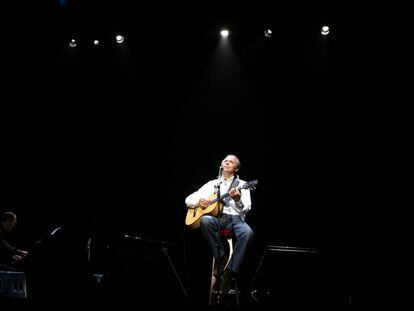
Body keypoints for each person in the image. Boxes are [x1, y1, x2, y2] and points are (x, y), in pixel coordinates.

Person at [185, 154, 254, 294]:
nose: (227, 162)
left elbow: (246, 208)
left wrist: (237, 200)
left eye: (232, 161)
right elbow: (188, 199)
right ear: (221, 165)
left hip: (235, 219)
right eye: (225, 160)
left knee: (248, 233)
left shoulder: (242, 185)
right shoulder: (212, 184)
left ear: (236, 168)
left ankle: (230, 271)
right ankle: (221, 256)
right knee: (205, 220)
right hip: (218, 219)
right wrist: (199, 202)